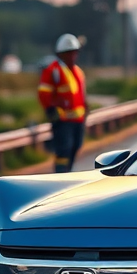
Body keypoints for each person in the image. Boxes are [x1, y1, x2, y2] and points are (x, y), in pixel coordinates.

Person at [38, 34, 87, 173]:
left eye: (74, 53)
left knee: (75, 148)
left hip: (78, 120)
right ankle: (60, 176)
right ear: (61, 54)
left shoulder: (78, 71)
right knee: (63, 151)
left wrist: (86, 108)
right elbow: (44, 93)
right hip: (62, 121)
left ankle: (68, 173)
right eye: (69, 53)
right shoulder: (53, 70)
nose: (72, 56)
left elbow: (80, 94)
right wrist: (51, 110)